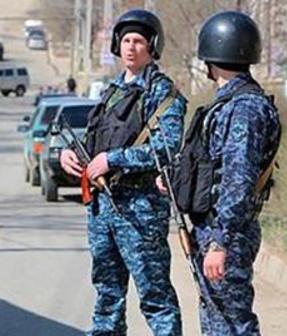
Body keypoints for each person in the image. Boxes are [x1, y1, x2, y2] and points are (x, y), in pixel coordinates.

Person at [60, 9, 186, 335]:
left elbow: (167, 147)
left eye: (139, 41)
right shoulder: (113, 91)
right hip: (103, 207)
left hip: (140, 210)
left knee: (155, 297)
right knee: (107, 293)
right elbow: (93, 140)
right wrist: (71, 156)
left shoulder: (162, 92)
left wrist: (113, 159)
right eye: (126, 40)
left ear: (152, 46)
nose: (131, 47)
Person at [163, 11, 281, 335]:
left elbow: (237, 180)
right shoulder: (231, 103)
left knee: (232, 322)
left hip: (226, 231)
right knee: (219, 318)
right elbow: (212, 168)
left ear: (210, 57)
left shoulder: (243, 108)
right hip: (218, 228)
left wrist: (220, 242)